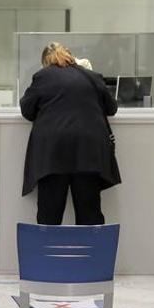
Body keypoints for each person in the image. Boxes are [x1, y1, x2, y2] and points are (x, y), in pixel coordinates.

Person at [19, 42, 119, 226]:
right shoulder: (92, 76)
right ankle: (92, 254)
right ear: (70, 55)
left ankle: (48, 254)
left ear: (45, 62)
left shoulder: (42, 77)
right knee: (90, 215)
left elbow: (27, 110)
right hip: (89, 152)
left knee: (49, 216)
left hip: (52, 153)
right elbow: (112, 108)